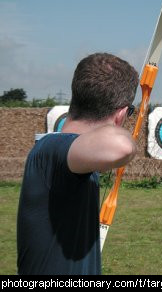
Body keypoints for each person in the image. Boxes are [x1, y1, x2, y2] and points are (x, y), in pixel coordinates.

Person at [17, 53, 139, 275]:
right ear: (121, 114)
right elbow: (122, 146)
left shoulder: (65, 153)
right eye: (130, 112)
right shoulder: (52, 148)